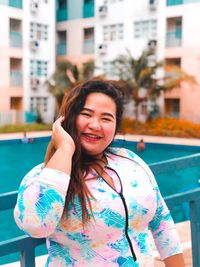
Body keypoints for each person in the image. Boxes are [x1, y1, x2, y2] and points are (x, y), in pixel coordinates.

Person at [14, 80, 184, 266]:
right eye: (86, 114)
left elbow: (162, 222)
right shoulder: (44, 177)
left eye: (106, 118)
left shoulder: (130, 161)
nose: (95, 125)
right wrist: (64, 148)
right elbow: (36, 225)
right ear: (67, 119)